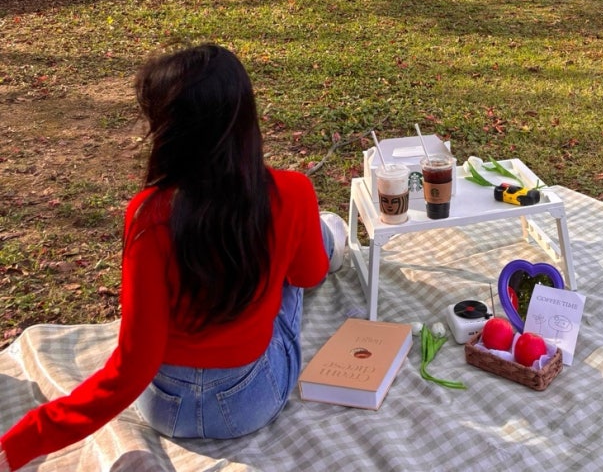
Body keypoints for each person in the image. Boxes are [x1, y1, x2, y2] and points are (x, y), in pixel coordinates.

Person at [0, 44, 348, 470]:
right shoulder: (291, 192)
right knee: (300, 265)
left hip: (163, 406)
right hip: (249, 402)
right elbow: (308, 276)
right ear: (244, 119)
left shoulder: (148, 214)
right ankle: (329, 237)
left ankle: (323, 236)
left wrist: (23, 442)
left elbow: (131, 366)